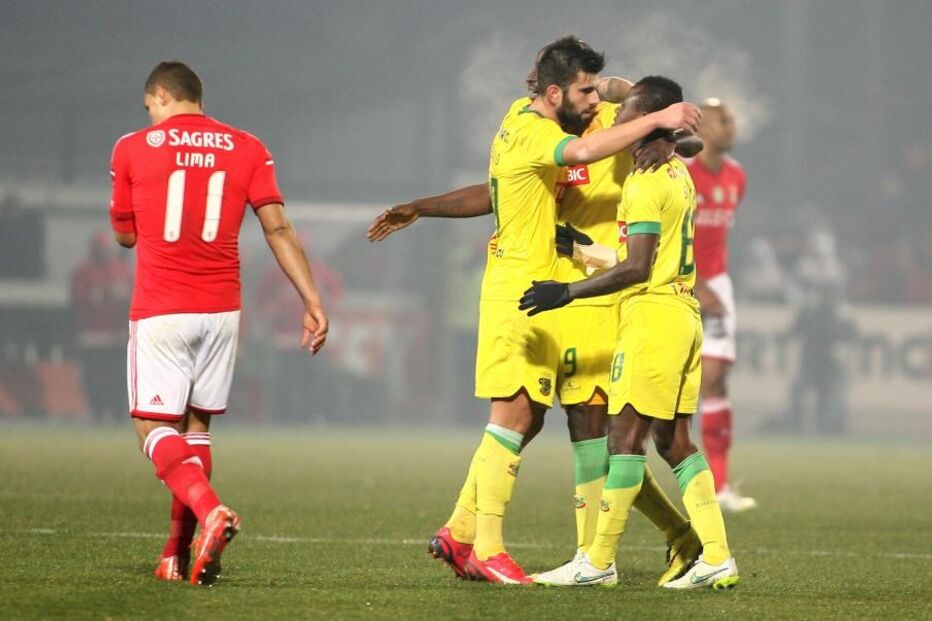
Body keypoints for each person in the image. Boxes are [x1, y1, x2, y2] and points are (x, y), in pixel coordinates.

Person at [375, 36, 699, 584]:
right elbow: (503, 189)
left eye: (598, 91)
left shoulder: (616, 120)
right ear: (557, 92)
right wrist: (425, 206)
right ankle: (470, 532)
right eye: (585, 90)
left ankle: (610, 555)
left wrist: (661, 132)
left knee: (592, 424)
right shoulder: (545, 132)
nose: (594, 100)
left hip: (601, 286)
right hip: (551, 289)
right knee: (534, 420)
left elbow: (687, 137)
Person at [109, 61, 328, 586]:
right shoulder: (248, 147)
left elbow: (125, 238)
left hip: (163, 307)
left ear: (161, 96)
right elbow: (277, 227)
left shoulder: (133, 147)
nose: (151, 117)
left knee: (152, 427)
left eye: (150, 107)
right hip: (222, 309)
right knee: (197, 429)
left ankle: (210, 512)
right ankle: (175, 556)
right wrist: (312, 298)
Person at [520, 76, 738, 589]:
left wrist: (567, 292)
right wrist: (584, 250)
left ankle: (596, 563)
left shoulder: (643, 182)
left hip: (653, 317)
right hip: (683, 313)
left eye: (630, 115)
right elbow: (645, 255)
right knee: (675, 440)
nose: (618, 121)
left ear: (652, 118)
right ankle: (717, 556)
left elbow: (637, 269)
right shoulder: (678, 172)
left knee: (623, 437)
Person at [685, 98, 756, 512]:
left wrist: (710, 286)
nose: (732, 126)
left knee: (714, 381)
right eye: (724, 120)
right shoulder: (682, 174)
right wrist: (694, 285)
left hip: (717, 285)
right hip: (675, 282)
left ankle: (721, 486)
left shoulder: (736, 177)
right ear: (704, 130)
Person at [70, 231, 134, 422]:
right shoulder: (83, 272)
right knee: (94, 377)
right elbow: (78, 301)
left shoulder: (122, 270)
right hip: (93, 336)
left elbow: (132, 300)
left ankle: (117, 412)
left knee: (118, 377)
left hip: (117, 335)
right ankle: (97, 411)